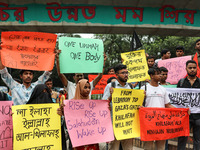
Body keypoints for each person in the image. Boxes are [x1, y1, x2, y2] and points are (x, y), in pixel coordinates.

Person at [102, 64, 135, 150]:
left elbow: (133, 103)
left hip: (127, 124)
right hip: (114, 125)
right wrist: (111, 97)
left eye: (127, 73)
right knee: (114, 148)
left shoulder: (130, 87)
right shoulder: (110, 86)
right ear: (116, 75)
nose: (126, 75)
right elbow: (104, 104)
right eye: (123, 73)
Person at [141, 67, 175, 150]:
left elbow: (167, 105)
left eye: (161, 74)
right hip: (148, 122)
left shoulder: (163, 89)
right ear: (151, 76)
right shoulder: (144, 88)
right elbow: (138, 105)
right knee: (148, 146)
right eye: (158, 74)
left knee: (161, 147)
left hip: (161, 122)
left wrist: (182, 111)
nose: (160, 76)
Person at [27, 84, 66, 150]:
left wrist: (60, 115)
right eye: (42, 92)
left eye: (46, 92)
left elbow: (60, 131)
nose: (44, 94)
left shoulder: (55, 109)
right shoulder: (26, 111)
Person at [177, 60, 200, 150]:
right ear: (186, 69)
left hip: (198, 116)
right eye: (190, 68)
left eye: (194, 68)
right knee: (182, 138)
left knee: (198, 139)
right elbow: (177, 97)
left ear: (197, 69)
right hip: (184, 116)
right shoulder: (181, 82)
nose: (192, 70)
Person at [72, 79, 100, 150]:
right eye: (85, 87)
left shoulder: (92, 104)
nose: (88, 90)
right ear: (79, 88)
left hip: (92, 137)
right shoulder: (72, 104)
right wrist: (62, 109)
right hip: (79, 137)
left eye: (89, 87)